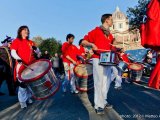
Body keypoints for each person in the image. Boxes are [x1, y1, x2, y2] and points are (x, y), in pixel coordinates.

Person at [82, 14, 119, 114]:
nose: (113, 22)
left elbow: (112, 47)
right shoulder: (95, 31)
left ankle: (103, 100)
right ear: (107, 20)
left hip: (108, 59)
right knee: (99, 82)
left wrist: (116, 45)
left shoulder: (110, 34)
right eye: (111, 20)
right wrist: (92, 44)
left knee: (106, 82)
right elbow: (83, 42)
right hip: (97, 59)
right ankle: (98, 105)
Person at [10, 25, 41, 108]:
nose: (26, 31)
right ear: (20, 32)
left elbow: (38, 53)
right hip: (21, 65)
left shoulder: (31, 42)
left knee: (30, 83)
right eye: (24, 30)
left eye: (27, 30)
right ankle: (22, 101)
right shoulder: (16, 41)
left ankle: (29, 97)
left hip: (31, 66)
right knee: (22, 84)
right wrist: (18, 58)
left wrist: (36, 49)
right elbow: (13, 52)